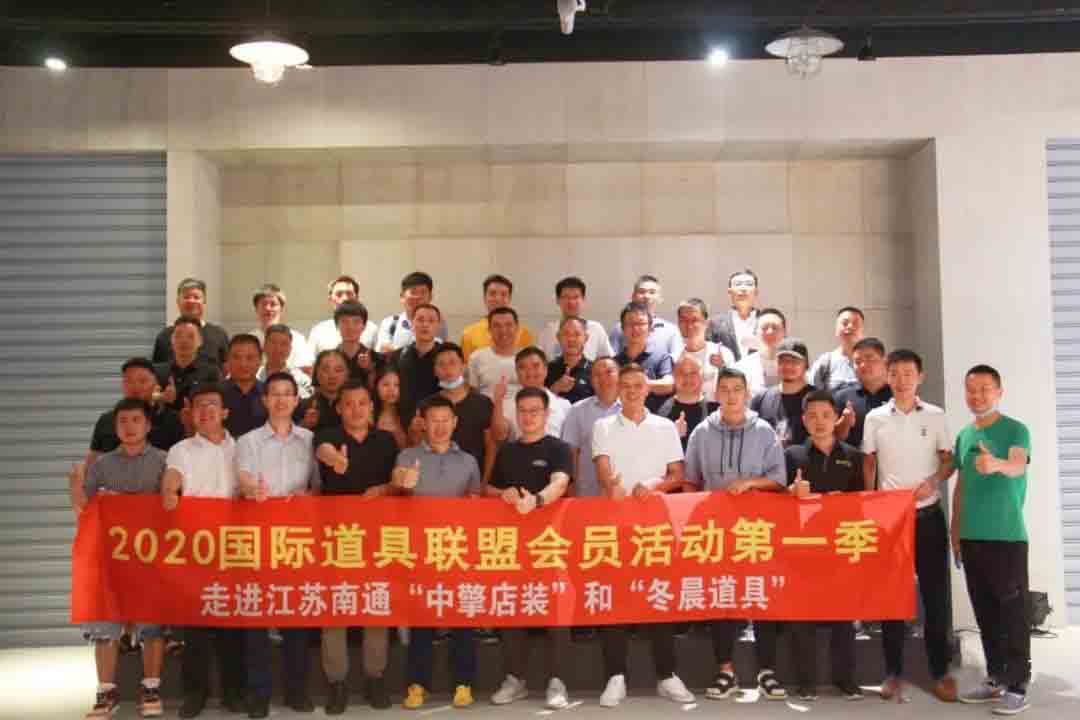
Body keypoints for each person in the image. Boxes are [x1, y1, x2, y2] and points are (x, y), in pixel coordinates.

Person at [590, 364, 695, 708]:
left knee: (658, 598)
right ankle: (615, 676)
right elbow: (603, 469)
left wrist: (655, 485)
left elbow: (677, 473)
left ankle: (666, 675)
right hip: (615, 525)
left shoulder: (664, 427)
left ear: (648, 389)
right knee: (615, 602)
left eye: (638, 385)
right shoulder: (603, 426)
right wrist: (611, 485)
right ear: (618, 390)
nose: (632, 391)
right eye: (626, 385)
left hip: (655, 525)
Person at [684, 367, 788, 702]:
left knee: (761, 598)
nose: (731, 396)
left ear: (747, 394)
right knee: (723, 597)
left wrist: (750, 483)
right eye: (725, 389)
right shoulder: (702, 432)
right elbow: (690, 481)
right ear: (716, 394)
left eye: (737, 389)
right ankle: (725, 670)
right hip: (716, 530)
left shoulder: (764, 431)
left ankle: (767, 670)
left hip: (756, 531)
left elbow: (779, 479)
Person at [862, 349, 956, 703]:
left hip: (928, 516)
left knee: (935, 598)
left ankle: (940, 672)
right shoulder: (874, 418)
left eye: (908, 373)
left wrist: (935, 481)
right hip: (891, 520)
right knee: (892, 598)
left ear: (920, 377)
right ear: (887, 377)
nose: (901, 380)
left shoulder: (935, 416)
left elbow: (948, 460)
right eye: (895, 373)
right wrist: (870, 502)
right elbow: (869, 463)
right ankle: (893, 673)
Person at [76, 398, 168, 719]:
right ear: (115, 428)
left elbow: (174, 506)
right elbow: (85, 510)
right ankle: (106, 693)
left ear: (148, 425)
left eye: (136, 420)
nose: (129, 427)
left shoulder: (164, 461)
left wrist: (133, 503)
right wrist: (77, 487)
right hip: (109, 560)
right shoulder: (101, 465)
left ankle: (151, 688)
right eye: (123, 422)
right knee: (105, 627)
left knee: (152, 627)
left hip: (151, 559)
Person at [236, 373, 320, 718]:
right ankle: (258, 693)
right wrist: (252, 490)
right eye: (275, 394)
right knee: (257, 619)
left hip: (298, 540)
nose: (282, 400)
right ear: (265, 400)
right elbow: (243, 480)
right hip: (259, 538)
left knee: (296, 617)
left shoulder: (310, 440)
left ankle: (297, 690)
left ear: (297, 400)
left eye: (288, 394)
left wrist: (309, 497)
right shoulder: (248, 441)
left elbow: (319, 487)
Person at [312, 380, 399, 714]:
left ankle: (375, 677)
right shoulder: (328, 435)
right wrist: (336, 460)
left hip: (377, 538)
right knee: (336, 608)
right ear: (339, 408)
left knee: (375, 604)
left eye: (362, 403)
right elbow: (323, 452)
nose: (356, 409)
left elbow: (396, 483)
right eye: (349, 404)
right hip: (337, 538)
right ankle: (336, 682)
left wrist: (384, 489)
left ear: (371, 406)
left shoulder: (386, 441)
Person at [160, 383, 245, 718]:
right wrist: (169, 491)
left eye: (213, 404)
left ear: (224, 412)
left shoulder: (242, 448)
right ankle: (195, 693)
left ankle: (234, 693)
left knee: (232, 626)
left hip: (235, 546)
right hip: (197, 546)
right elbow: (173, 476)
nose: (206, 410)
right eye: (199, 405)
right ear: (191, 414)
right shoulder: (181, 449)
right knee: (195, 625)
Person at [392, 395, 483, 710]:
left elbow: (476, 503)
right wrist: (403, 482)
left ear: (455, 423)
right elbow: (396, 487)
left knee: (462, 618)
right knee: (421, 619)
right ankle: (417, 684)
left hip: (456, 550)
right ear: (423, 423)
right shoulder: (408, 456)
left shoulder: (468, 461)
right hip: (420, 551)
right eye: (434, 420)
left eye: (446, 420)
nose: (440, 427)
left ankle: (464, 683)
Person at [486, 386, 574, 708]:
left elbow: (560, 483)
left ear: (546, 413)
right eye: (522, 411)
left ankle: (558, 681)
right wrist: (503, 494)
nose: (528, 417)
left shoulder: (559, 448)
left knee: (557, 612)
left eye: (535, 411)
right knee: (511, 610)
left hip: (551, 544)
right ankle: (515, 679)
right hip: (511, 546)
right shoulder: (507, 451)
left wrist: (536, 500)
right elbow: (488, 488)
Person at [953, 365, 1032, 715]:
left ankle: (1018, 684)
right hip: (971, 537)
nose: (977, 396)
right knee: (985, 614)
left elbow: (1018, 465)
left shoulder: (1016, 429)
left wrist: (996, 464)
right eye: (971, 390)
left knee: (1012, 613)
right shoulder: (964, 435)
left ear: (999, 392)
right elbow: (960, 487)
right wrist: (955, 532)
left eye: (985, 389)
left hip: (1006, 537)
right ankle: (996, 677)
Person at [784, 389, 865, 702]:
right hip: (803, 546)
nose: (819, 422)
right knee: (802, 617)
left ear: (836, 419)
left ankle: (846, 680)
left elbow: (862, 502)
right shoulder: (792, 455)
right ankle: (806, 682)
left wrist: (842, 503)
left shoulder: (853, 456)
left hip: (841, 545)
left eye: (826, 415)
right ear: (804, 421)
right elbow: (775, 503)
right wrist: (792, 493)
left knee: (843, 616)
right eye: (813, 416)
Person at [431, 343, 500, 477]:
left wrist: (485, 480)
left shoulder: (483, 403)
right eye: (441, 364)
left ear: (463, 367)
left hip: (474, 478)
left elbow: (491, 446)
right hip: (438, 478)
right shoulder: (427, 405)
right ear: (434, 370)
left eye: (452, 363)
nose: (447, 369)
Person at [561, 357, 622, 499]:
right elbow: (571, 452)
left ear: (620, 375)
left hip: (625, 493)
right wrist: (572, 486)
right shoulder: (577, 410)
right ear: (591, 380)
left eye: (609, 372)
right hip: (587, 493)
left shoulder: (632, 409)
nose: (603, 378)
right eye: (597, 375)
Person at [496, 347, 571, 441]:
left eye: (536, 366)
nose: (530, 372)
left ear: (545, 369)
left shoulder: (564, 405)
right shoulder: (507, 405)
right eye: (523, 367)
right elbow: (500, 435)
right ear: (517, 372)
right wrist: (498, 400)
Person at [152, 277, 229, 368]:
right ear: (178, 302)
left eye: (196, 297)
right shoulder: (164, 336)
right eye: (186, 297)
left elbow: (227, 369)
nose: (191, 301)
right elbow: (157, 370)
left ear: (204, 302)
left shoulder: (219, 334)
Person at [750, 338, 814, 448]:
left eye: (794, 361)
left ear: (806, 365)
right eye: (782, 361)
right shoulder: (761, 399)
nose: (788, 366)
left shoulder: (817, 399)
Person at [388, 302, 442, 431]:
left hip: (437, 425)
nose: (425, 325)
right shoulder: (397, 356)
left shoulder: (445, 356)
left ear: (438, 326)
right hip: (402, 424)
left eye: (431, 321)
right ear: (412, 323)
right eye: (420, 320)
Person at [152, 316, 221, 415]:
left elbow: (216, 403)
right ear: (171, 340)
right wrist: (160, 397)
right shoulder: (157, 371)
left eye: (190, 336)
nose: (184, 341)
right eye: (178, 336)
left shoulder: (211, 372)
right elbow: (142, 399)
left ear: (200, 341)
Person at [613, 302, 674, 412]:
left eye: (640, 323)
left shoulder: (661, 356)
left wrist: (642, 383)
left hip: (653, 417)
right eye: (630, 323)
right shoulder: (614, 362)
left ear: (650, 328)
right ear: (622, 328)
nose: (635, 328)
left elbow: (669, 384)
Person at [833, 337, 892, 449]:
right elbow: (829, 440)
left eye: (869, 358)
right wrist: (844, 423)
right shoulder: (842, 397)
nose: (863, 365)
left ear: (885, 362)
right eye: (857, 361)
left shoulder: (898, 395)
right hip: (853, 459)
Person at [460, 274, 535, 361]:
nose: (498, 299)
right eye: (492, 294)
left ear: (509, 299)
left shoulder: (524, 334)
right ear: (484, 298)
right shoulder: (469, 335)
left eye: (503, 294)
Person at [537, 276, 614, 361]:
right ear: (557, 300)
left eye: (576, 297)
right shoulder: (548, 331)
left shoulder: (596, 329)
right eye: (566, 297)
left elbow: (610, 361)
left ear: (583, 299)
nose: (571, 302)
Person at [608, 274, 683, 357]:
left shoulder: (671, 330)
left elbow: (676, 359)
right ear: (633, 296)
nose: (646, 296)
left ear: (660, 298)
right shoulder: (619, 328)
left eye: (652, 292)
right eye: (641, 292)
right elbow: (612, 359)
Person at [248, 283, 315, 374]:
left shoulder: (297, 339)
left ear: (281, 309)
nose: (268, 309)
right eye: (264, 304)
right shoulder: (249, 339)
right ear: (256, 309)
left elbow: (307, 369)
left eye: (273, 304)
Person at [376, 271, 449, 352]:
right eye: (413, 292)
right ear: (402, 296)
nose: (418, 297)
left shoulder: (438, 323)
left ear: (430, 297)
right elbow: (383, 350)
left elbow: (441, 352)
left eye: (423, 292)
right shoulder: (390, 323)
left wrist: (395, 350)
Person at [657, 354, 717, 452]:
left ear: (702, 376)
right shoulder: (661, 412)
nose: (687, 378)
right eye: (681, 373)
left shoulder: (716, 412)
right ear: (674, 377)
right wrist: (673, 437)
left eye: (693, 373)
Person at [676, 297, 735, 396]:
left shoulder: (723, 353)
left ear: (706, 323)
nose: (689, 326)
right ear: (678, 323)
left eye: (694, 320)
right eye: (684, 320)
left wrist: (722, 368)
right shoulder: (674, 356)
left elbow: (736, 388)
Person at [308, 275, 379, 354]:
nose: (345, 298)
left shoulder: (372, 329)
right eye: (339, 294)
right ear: (331, 299)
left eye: (349, 294)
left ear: (357, 298)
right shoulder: (318, 331)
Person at [466, 306, 522, 400]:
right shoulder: (476, 357)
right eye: (497, 326)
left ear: (517, 328)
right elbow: (473, 394)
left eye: (508, 325)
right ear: (489, 329)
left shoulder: (527, 357)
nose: (503, 330)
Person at [707, 269, 760, 360]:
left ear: (756, 291)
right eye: (738, 284)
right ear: (729, 291)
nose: (743, 289)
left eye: (749, 284)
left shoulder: (768, 322)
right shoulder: (715, 323)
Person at [221, 334, 268, 439]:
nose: (243, 364)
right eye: (236, 357)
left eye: (249, 358)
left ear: (260, 360)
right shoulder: (215, 394)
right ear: (227, 360)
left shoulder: (269, 393)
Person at [733, 307, 787, 395]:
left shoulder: (795, 368)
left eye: (775, 327)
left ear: (784, 332)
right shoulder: (740, 369)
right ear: (756, 332)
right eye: (764, 327)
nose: (770, 332)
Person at [809, 306, 866, 390]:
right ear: (836, 330)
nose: (850, 327)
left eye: (855, 323)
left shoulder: (871, 362)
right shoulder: (826, 362)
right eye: (845, 323)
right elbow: (811, 392)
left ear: (862, 331)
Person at [545, 316, 595, 404]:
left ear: (586, 338)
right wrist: (555, 389)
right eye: (566, 334)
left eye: (577, 334)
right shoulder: (547, 370)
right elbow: (539, 404)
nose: (571, 339)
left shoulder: (595, 371)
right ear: (558, 337)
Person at [296, 349, 348, 433]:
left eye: (338, 370)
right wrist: (304, 425)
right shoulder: (303, 406)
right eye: (326, 370)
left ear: (347, 374)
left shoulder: (355, 406)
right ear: (316, 373)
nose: (332, 376)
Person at [255, 324, 313, 400]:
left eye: (283, 344)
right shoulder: (254, 376)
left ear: (290, 349)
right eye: (273, 343)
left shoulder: (302, 380)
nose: (278, 348)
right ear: (264, 346)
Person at [335, 300, 383, 384]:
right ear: (337, 325)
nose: (350, 327)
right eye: (344, 321)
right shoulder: (328, 358)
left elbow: (380, 388)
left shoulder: (376, 359)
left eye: (356, 322)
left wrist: (369, 369)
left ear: (364, 326)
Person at [372, 367, 409, 448]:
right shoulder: (369, 415)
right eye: (386, 385)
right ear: (376, 386)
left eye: (396, 385)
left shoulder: (408, 415)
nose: (391, 390)